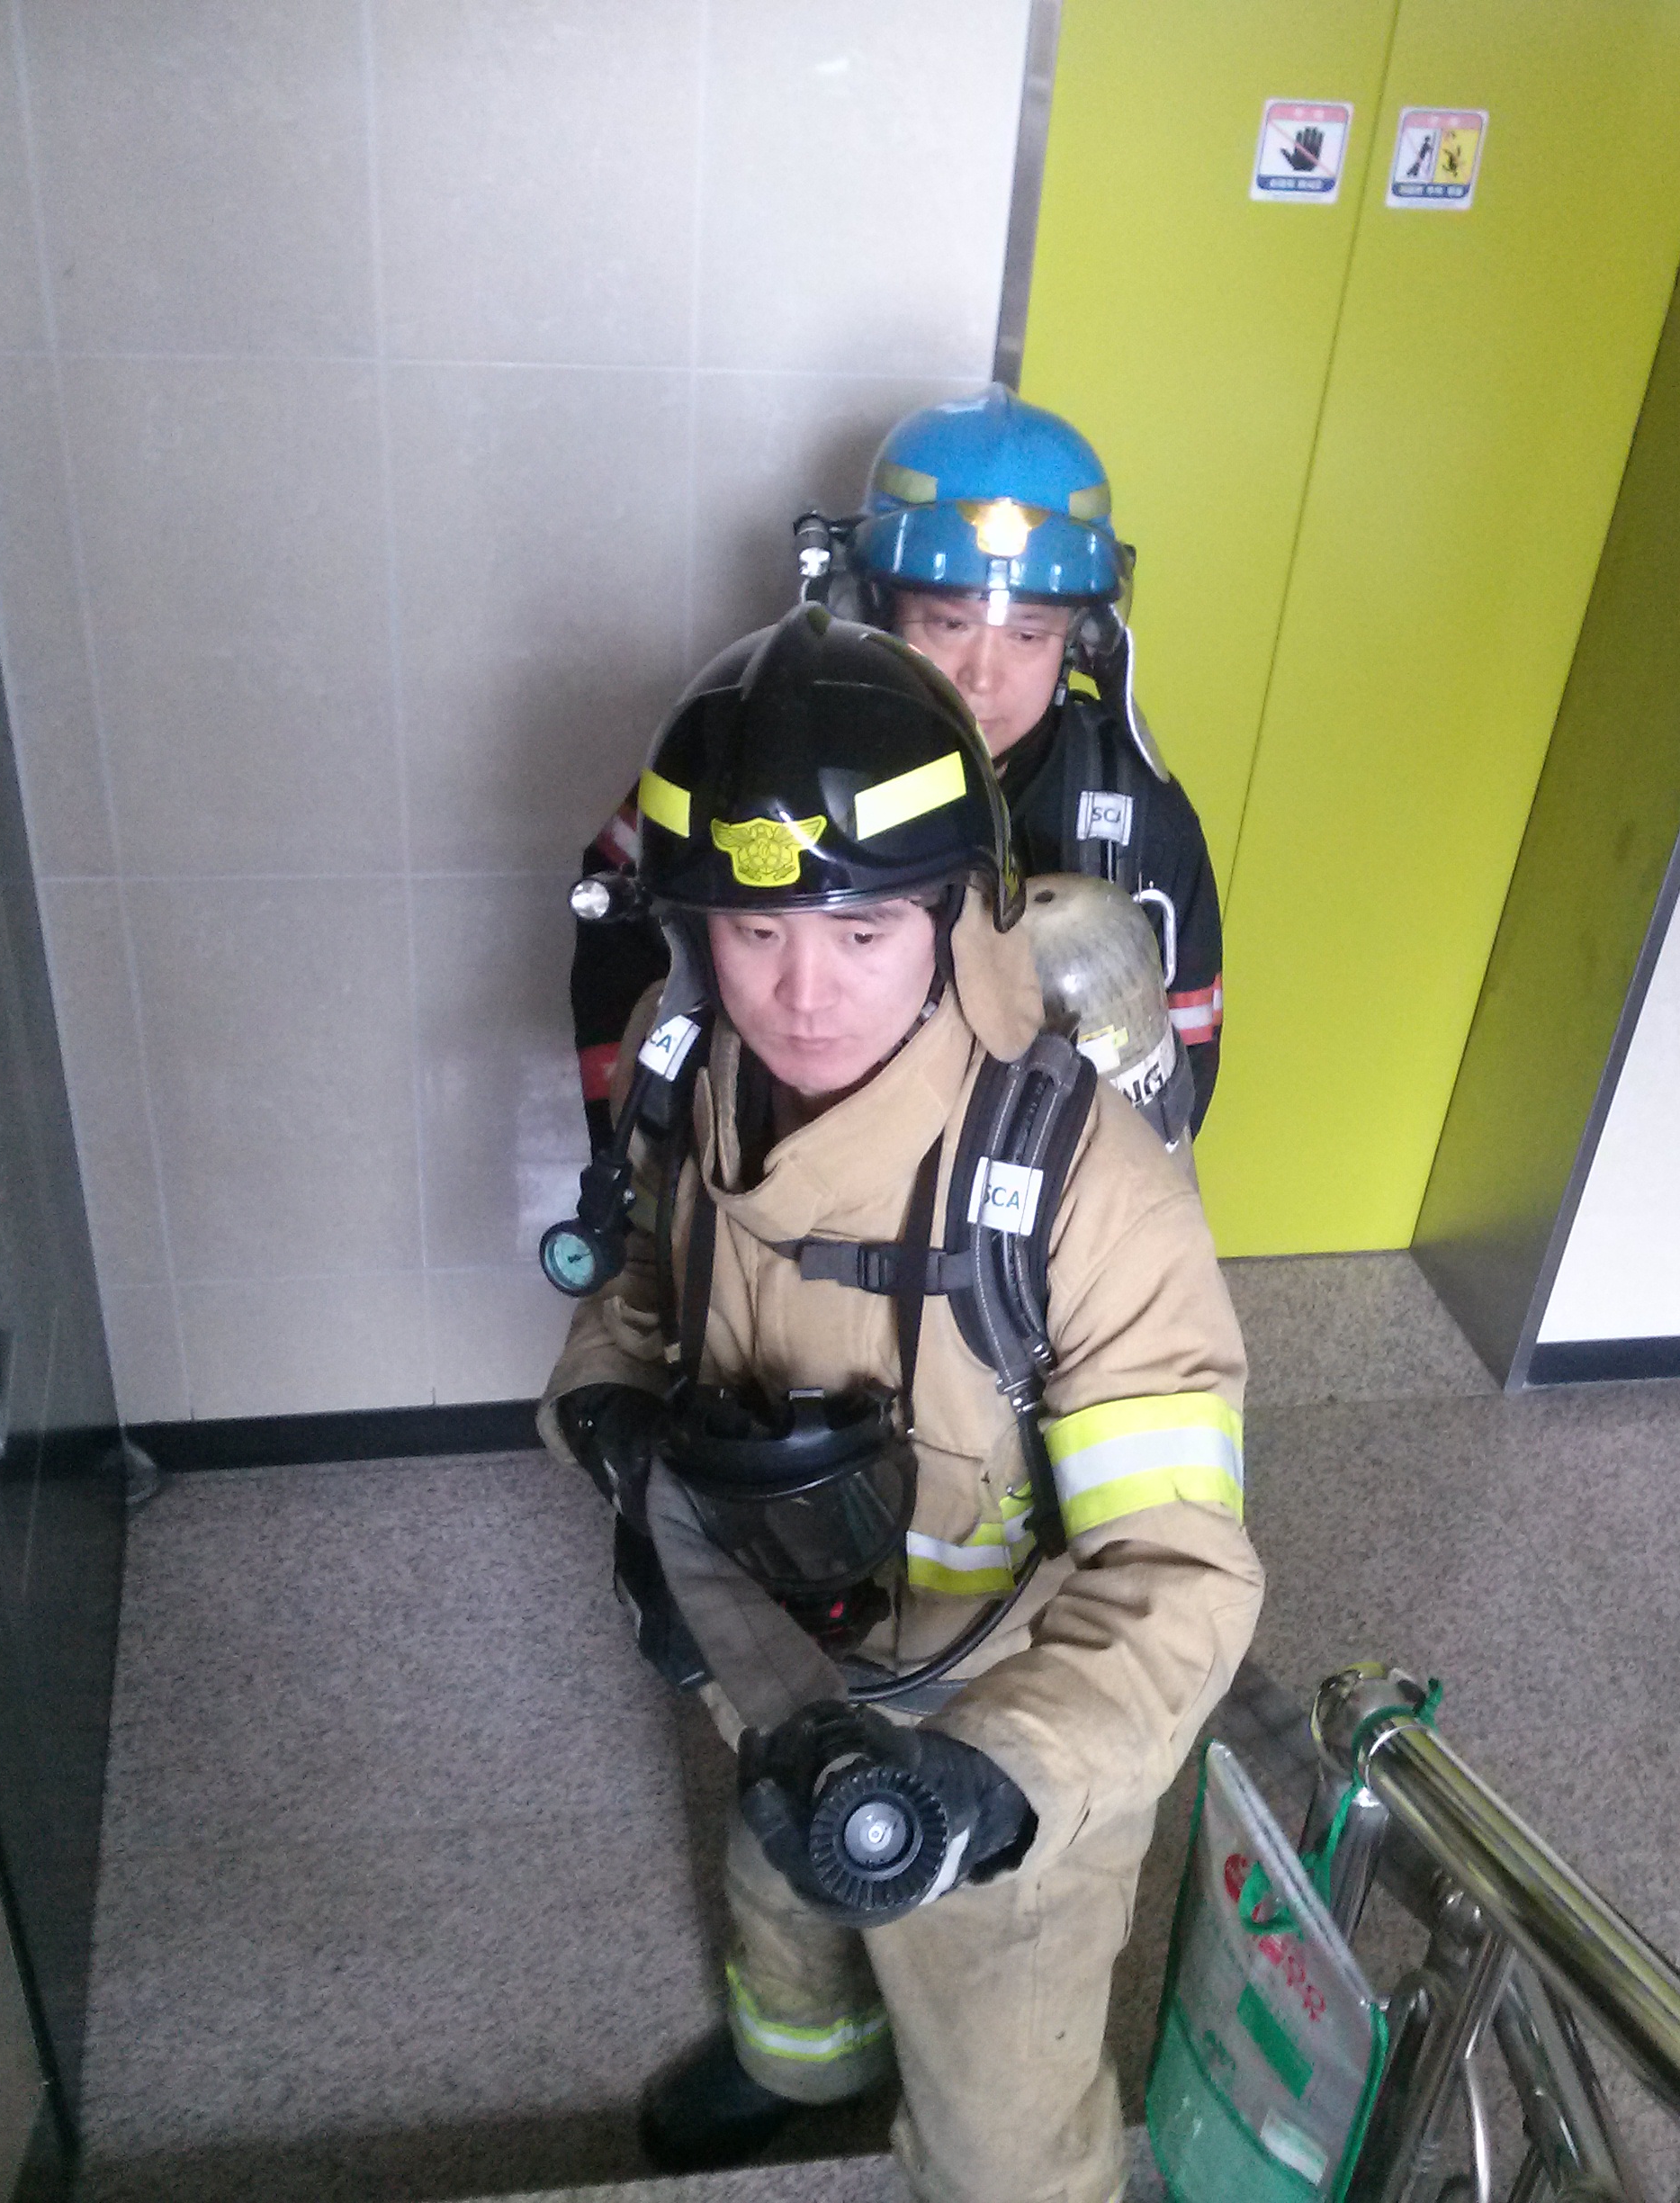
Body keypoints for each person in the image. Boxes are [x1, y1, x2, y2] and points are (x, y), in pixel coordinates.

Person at [541, 606, 1261, 2199]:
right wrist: (610, 1416)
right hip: (767, 1646)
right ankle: (797, 2060)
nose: (801, 994)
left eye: (861, 933)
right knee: (781, 1890)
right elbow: (642, 1283)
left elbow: (1179, 1574)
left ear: (953, 911)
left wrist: (992, 1784)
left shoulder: (1086, 1195)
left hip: (998, 1707)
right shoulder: (688, 1074)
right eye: (754, 932)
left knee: (1007, 2132)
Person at [571, 387, 1224, 1150]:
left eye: (1027, 635)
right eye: (948, 622)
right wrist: (639, 1155)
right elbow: (619, 948)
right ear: (872, 607)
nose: (982, 676)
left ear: (1079, 641)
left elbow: (1180, 1077)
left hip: (1024, 1197)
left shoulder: (1134, 813)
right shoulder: (751, 756)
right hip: (784, 1174)